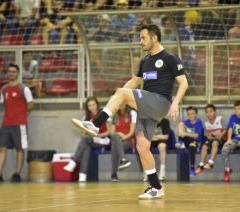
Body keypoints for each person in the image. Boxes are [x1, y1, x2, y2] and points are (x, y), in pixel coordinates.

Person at [71, 24, 188, 199]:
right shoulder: (144, 61)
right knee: (142, 146)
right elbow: (133, 83)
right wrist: (118, 97)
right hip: (146, 108)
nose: (140, 41)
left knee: (122, 94)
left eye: (143, 38)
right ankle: (156, 187)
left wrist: (175, 103)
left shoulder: (170, 58)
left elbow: (184, 83)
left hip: (160, 102)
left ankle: (95, 125)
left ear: (154, 38)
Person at [0, 64, 34, 182]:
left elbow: (30, 104)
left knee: (20, 149)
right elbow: (5, 105)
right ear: (7, 73)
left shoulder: (24, 88)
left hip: (20, 124)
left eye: (14, 72)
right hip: (6, 123)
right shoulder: (4, 89)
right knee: (1, 148)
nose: (11, 73)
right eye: (9, 71)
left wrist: (23, 116)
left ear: (18, 73)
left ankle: (17, 174)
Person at [64, 97, 111, 182]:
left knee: (86, 140)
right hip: (91, 140)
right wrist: (86, 132)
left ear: (97, 105)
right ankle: (82, 175)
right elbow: (83, 132)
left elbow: (109, 131)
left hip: (104, 140)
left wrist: (98, 135)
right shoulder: (86, 117)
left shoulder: (103, 114)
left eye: (93, 105)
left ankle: (74, 161)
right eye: (89, 106)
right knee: (86, 147)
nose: (92, 107)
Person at [222, 100, 240, 183]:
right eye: (235, 109)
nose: (236, 111)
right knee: (224, 149)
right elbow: (230, 128)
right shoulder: (232, 117)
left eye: (239, 109)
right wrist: (229, 139)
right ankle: (227, 170)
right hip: (234, 139)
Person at [195, 104, 227, 175]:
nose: (209, 113)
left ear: (215, 112)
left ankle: (210, 163)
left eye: (211, 111)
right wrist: (211, 137)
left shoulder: (220, 119)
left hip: (221, 139)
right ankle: (201, 164)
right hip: (212, 139)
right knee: (204, 146)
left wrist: (220, 135)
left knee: (214, 143)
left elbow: (225, 130)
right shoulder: (206, 124)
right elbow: (207, 136)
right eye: (207, 112)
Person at [110, 105, 136, 182]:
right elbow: (111, 132)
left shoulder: (132, 113)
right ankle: (123, 159)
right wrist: (118, 135)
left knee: (115, 144)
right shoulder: (115, 115)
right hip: (118, 140)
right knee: (115, 143)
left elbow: (132, 132)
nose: (120, 105)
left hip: (128, 140)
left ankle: (114, 175)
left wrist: (121, 138)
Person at [178, 106, 204, 176]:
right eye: (188, 114)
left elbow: (196, 136)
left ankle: (192, 168)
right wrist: (187, 134)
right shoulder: (185, 122)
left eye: (192, 113)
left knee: (191, 146)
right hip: (187, 140)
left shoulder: (199, 122)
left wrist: (185, 133)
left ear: (196, 114)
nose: (190, 115)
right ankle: (181, 143)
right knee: (181, 124)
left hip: (196, 142)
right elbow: (180, 134)